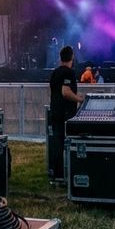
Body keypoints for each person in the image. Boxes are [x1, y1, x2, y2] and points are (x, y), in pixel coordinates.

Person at [48, 45, 84, 181]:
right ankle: (65, 174)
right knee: (66, 143)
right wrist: (80, 99)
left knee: (57, 143)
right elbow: (65, 92)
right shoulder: (68, 72)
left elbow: (53, 91)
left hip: (56, 111)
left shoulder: (55, 72)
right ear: (72, 57)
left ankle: (56, 174)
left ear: (60, 57)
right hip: (65, 114)